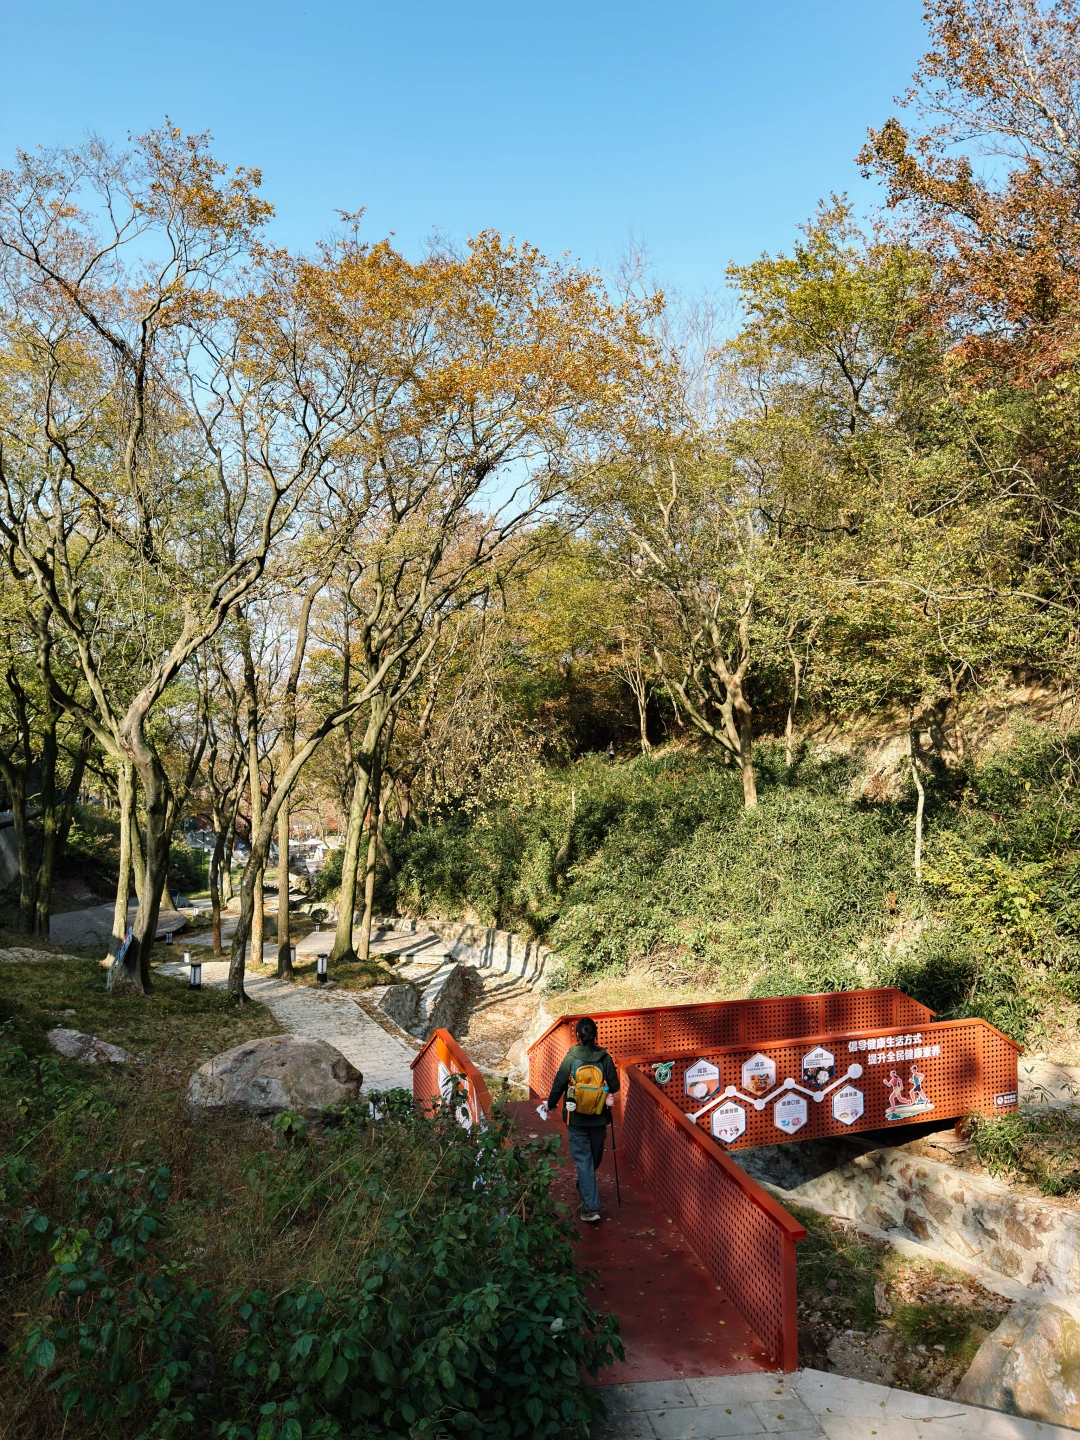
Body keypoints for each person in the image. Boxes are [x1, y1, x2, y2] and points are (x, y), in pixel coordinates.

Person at [538, 1016, 619, 1222]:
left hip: (575, 1118)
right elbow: (615, 1086)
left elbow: (559, 1084)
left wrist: (551, 1103)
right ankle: (592, 1207)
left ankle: (586, 1189)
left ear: (577, 1035)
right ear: (595, 1034)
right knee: (593, 1157)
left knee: (585, 1162)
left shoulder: (571, 1058)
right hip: (599, 1116)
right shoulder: (604, 1057)